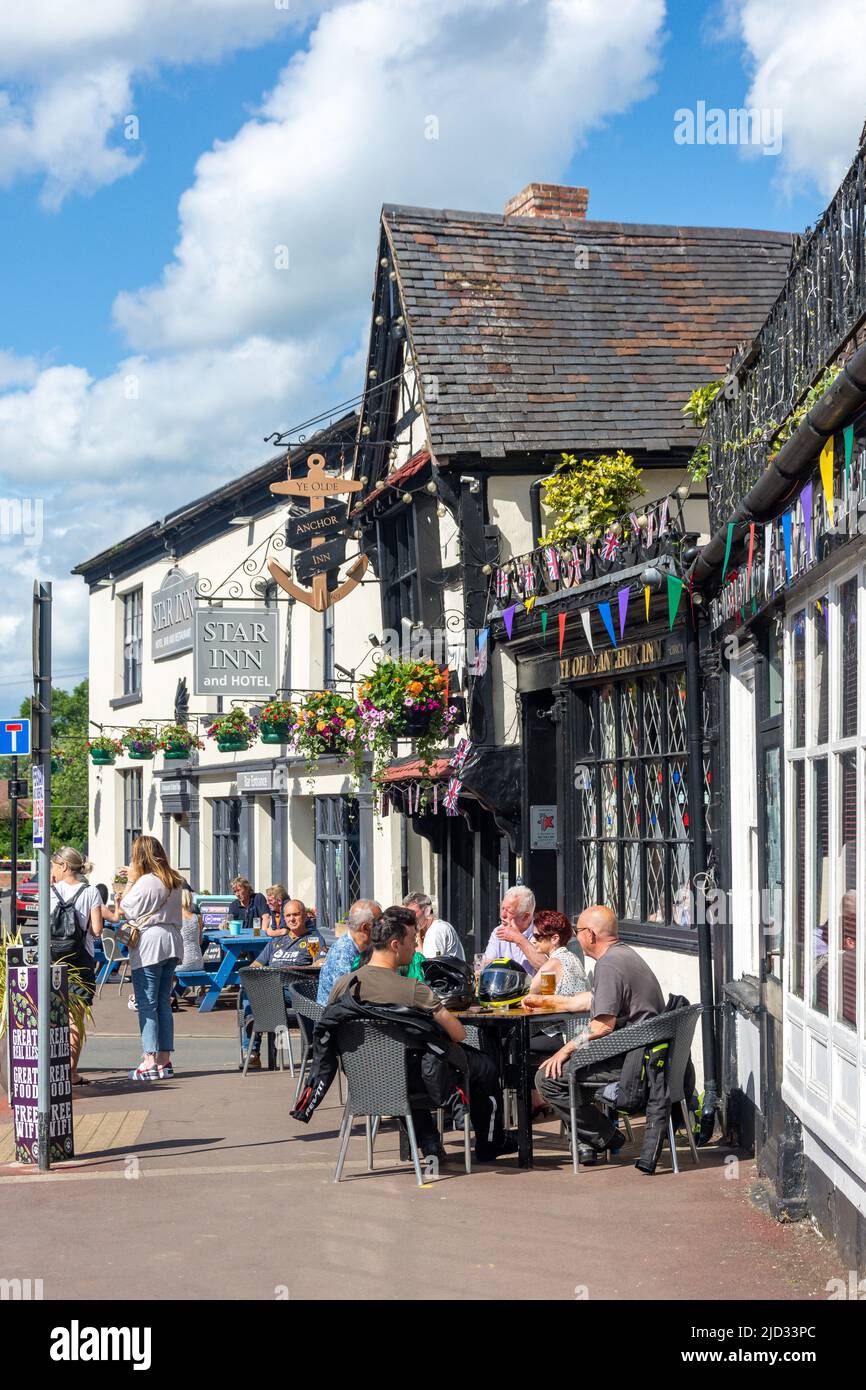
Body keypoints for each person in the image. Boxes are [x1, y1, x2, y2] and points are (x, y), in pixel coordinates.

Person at [328, 906, 517, 1165]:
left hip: (365, 1076)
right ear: (396, 945)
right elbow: (458, 1033)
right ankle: (490, 1143)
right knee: (483, 1066)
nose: (416, 946)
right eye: (412, 940)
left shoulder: (343, 986)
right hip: (415, 1078)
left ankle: (429, 1142)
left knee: (410, 1062)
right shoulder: (412, 989)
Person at [529, 905, 665, 1165]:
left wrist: (565, 1049)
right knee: (565, 1069)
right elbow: (589, 1000)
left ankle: (605, 1136)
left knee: (547, 1077)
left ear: (590, 935)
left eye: (579, 931)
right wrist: (548, 1003)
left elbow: (602, 1025)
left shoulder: (608, 965)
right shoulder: (624, 955)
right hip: (646, 1051)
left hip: (634, 1061)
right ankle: (599, 1137)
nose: (577, 938)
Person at [120, 835, 185, 1082]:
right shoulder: (174, 879)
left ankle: (149, 1060)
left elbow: (127, 907)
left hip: (150, 944)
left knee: (147, 1003)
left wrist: (130, 881)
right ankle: (164, 1060)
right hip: (171, 941)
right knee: (163, 1002)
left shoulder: (147, 881)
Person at [245, 900, 326, 1067]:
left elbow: (321, 963)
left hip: (296, 991)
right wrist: (252, 974)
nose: (292, 919)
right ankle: (253, 1052)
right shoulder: (276, 942)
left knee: (263, 994)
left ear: (304, 916)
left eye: (295, 915)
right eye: (288, 916)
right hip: (271, 990)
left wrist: (300, 967)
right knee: (249, 992)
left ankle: (255, 1020)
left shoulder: (314, 939)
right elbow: (256, 965)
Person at [49, 847, 104, 1086]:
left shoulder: (49, 892)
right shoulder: (90, 891)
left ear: (63, 866)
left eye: (53, 865)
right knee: (76, 1016)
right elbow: (97, 929)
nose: (51, 870)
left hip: (53, 960)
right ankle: (71, 1072)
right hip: (81, 960)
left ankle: (52, 1070)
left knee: (52, 1014)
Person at [525, 910, 588, 1057]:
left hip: (564, 1034)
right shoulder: (572, 958)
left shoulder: (553, 963)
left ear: (554, 938)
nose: (533, 941)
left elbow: (527, 994)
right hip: (580, 1033)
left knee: (512, 1041)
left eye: (537, 936)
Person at [316, 899, 381, 1004]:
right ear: (365, 927)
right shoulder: (343, 952)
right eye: (379, 922)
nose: (383, 926)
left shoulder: (365, 946)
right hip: (336, 1015)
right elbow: (344, 995)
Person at [480, 885, 548, 976]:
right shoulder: (498, 931)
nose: (503, 915)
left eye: (509, 912)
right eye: (502, 908)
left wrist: (519, 939)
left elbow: (546, 968)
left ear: (525, 916)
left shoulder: (542, 932)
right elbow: (486, 964)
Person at [403, 892, 465, 961]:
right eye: (407, 913)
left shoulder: (436, 931)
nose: (409, 917)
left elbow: (429, 966)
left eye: (413, 913)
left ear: (427, 911)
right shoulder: (425, 931)